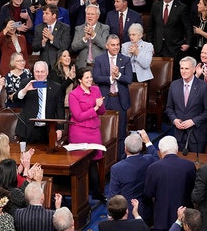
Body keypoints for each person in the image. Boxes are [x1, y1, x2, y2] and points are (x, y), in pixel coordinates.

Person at [67, 66, 106, 203]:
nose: (90, 80)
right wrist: (95, 107)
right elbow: (78, 116)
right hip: (79, 132)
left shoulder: (96, 90)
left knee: (94, 161)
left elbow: (102, 112)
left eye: (91, 77)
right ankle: (80, 193)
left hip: (94, 130)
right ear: (80, 79)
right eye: (87, 77)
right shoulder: (74, 94)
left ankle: (97, 192)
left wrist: (100, 106)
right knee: (81, 162)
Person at [144, 136, 196, 231]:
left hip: (161, 218)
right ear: (177, 149)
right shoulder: (189, 166)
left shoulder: (153, 168)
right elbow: (194, 190)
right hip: (185, 217)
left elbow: (148, 193)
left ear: (161, 151)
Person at [93, 35, 133, 160]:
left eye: (118, 45)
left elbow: (129, 79)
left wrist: (118, 74)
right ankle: (104, 160)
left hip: (120, 100)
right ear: (107, 46)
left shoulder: (125, 59)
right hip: (105, 100)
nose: (116, 47)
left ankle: (119, 159)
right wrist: (111, 78)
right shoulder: (99, 59)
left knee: (121, 133)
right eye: (113, 45)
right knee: (104, 132)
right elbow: (96, 77)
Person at [166, 56, 207, 153]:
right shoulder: (174, 85)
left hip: (197, 134)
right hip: (179, 134)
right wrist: (174, 120)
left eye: (186, 68)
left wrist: (193, 121)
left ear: (194, 69)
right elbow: (169, 108)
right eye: (181, 68)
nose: (183, 71)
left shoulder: (203, 87)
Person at [107, 130, 158, 221]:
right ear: (141, 146)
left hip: (125, 213)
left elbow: (113, 194)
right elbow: (156, 158)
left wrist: (111, 215)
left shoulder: (117, 168)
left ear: (125, 148)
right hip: (146, 211)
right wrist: (147, 141)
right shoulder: (149, 160)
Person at [15, 61, 65, 144]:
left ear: (47, 72)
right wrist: (25, 90)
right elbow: (17, 100)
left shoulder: (56, 87)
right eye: (37, 71)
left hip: (47, 130)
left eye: (42, 71)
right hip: (28, 129)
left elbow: (59, 109)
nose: (40, 74)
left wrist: (60, 128)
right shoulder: (26, 83)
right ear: (33, 72)